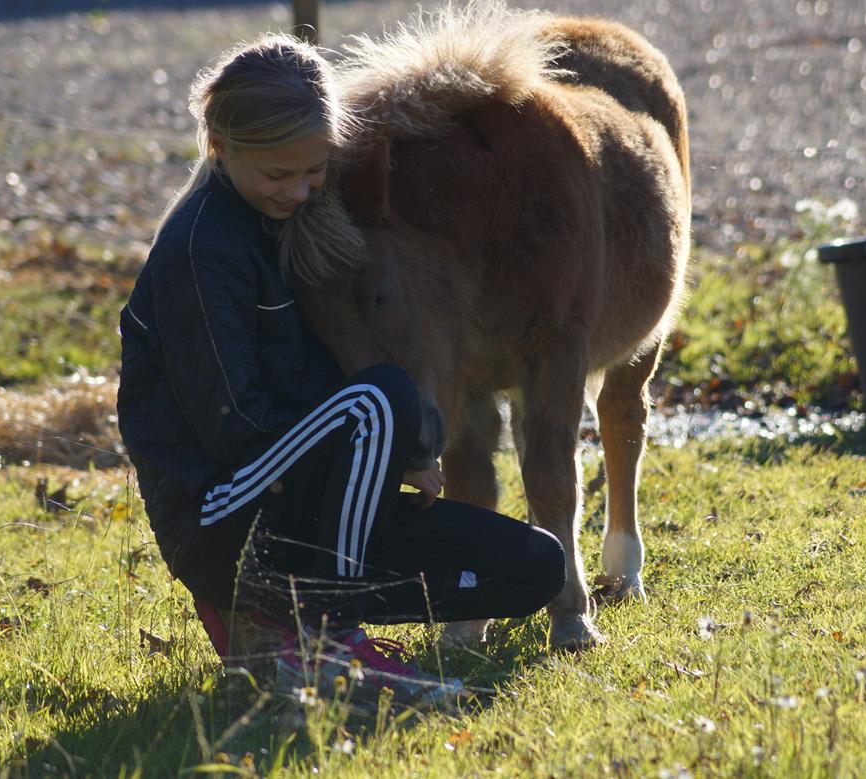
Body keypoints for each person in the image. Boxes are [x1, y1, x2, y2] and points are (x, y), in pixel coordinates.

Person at [116, 33, 566, 707]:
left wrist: (393, 459)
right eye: (278, 174)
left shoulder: (291, 221)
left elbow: (338, 355)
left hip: (319, 519)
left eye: (314, 170)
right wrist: (375, 438)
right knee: (376, 401)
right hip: (224, 520)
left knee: (536, 566)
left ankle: (288, 631)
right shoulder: (200, 249)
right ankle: (327, 641)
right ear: (221, 146)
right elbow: (236, 427)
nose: (298, 190)